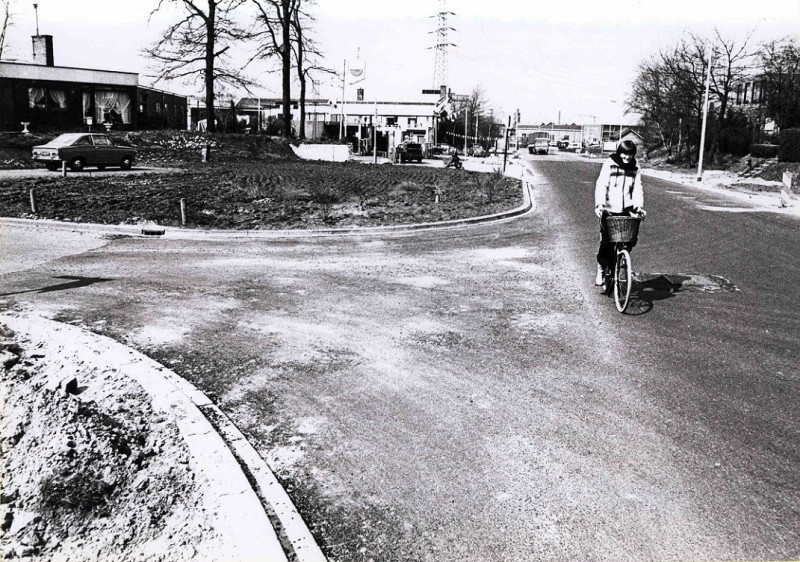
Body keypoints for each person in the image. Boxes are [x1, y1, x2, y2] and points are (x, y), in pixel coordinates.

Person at [593, 140, 646, 286]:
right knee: (606, 243)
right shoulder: (609, 164)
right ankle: (602, 268)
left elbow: (637, 189)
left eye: (630, 154)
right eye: (624, 153)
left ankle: (621, 260)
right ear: (619, 152)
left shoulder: (635, 167)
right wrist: (600, 204)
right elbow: (601, 185)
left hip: (627, 209)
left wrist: (638, 206)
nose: (627, 157)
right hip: (609, 209)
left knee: (628, 240)